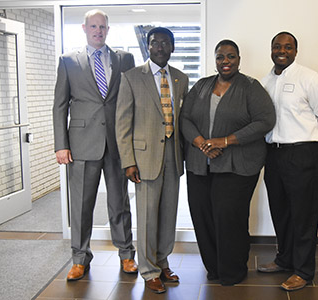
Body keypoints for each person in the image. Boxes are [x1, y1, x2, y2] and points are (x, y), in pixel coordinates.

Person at [180, 39, 275, 286]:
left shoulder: (250, 87)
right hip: (200, 166)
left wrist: (226, 141)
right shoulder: (201, 86)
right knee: (203, 217)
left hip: (237, 166)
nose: (225, 61)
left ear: (239, 60)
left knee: (229, 219)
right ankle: (214, 268)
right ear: (215, 60)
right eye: (221, 57)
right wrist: (202, 143)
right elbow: (185, 119)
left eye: (231, 56)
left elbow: (265, 120)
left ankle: (232, 271)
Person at [53, 9, 137, 281]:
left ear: (108, 30)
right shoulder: (68, 61)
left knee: (119, 203)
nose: (98, 31)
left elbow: (132, 102)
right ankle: (80, 259)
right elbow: (60, 106)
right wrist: (60, 145)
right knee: (80, 205)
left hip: (116, 144)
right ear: (84, 28)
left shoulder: (124, 59)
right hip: (80, 145)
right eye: (93, 27)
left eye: (102, 27)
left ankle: (126, 255)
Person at [256, 32, 318, 291]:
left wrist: (312, 141)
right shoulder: (265, 81)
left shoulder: (308, 77)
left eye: (287, 47)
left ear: (295, 51)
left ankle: (303, 271)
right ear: (271, 50)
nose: (282, 51)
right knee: (281, 211)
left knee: (304, 215)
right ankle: (285, 259)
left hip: (302, 153)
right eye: (277, 46)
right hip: (273, 154)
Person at [115, 27, 189, 294]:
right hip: (144, 158)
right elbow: (122, 123)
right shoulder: (132, 77)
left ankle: (162, 261)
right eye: (154, 42)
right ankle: (148, 270)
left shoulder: (181, 78)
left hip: (173, 154)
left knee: (168, 214)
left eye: (165, 43)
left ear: (172, 47)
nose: (159, 47)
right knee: (147, 216)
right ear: (148, 47)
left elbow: (184, 121)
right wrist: (128, 161)